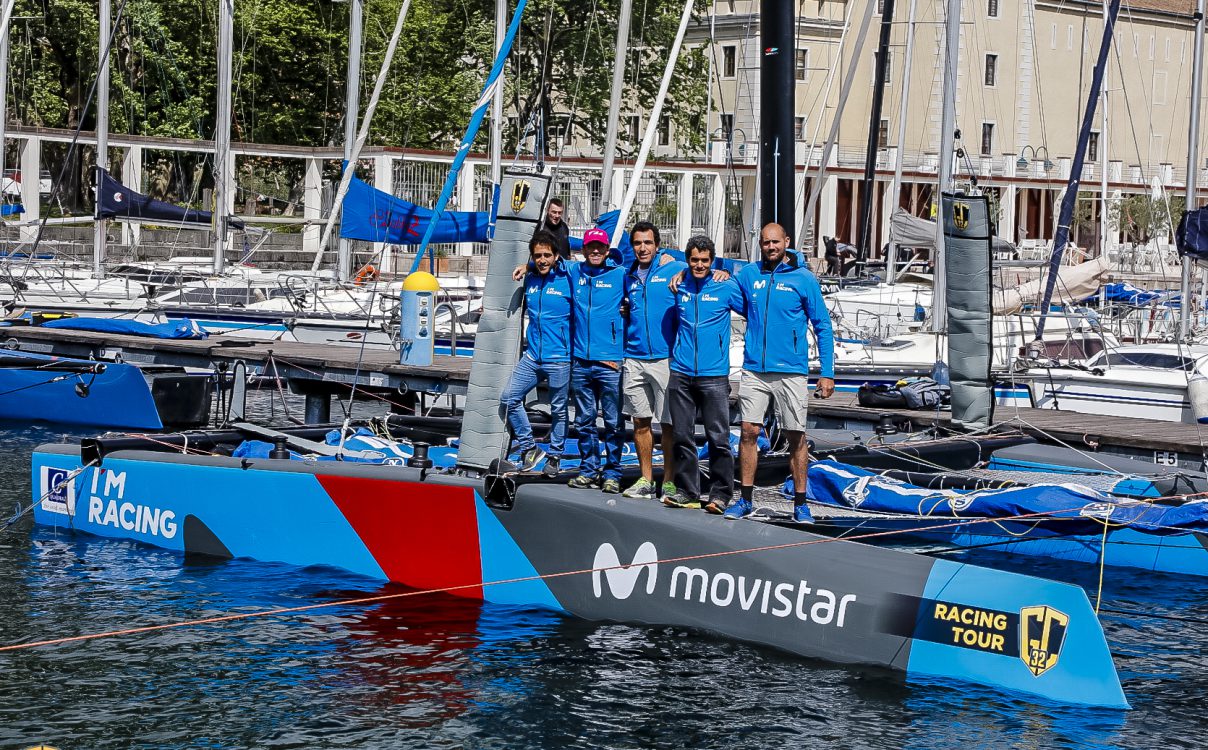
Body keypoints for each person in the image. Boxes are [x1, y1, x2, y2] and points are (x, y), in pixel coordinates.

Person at [727, 223, 835, 523]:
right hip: (754, 370)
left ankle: (801, 503)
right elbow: (724, 293)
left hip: (791, 371)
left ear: (786, 242)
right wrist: (684, 271)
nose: (770, 247)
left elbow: (823, 327)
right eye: (765, 243)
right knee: (749, 432)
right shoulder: (749, 275)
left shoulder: (803, 279)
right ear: (759, 245)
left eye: (775, 242)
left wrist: (827, 372)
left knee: (795, 436)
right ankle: (745, 499)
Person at [663, 236, 745, 513]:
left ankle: (720, 494)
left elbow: (752, 308)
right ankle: (687, 490)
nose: (699, 265)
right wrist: (681, 272)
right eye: (694, 260)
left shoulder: (725, 286)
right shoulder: (679, 284)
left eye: (705, 261)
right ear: (688, 260)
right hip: (681, 373)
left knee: (718, 438)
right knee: (682, 436)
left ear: (712, 261)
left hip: (714, 375)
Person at [619, 222, 684, 500]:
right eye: (637, 243)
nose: (642, 248)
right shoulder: (628, 276)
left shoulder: (672, 267)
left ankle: (668, 480)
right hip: (634, 358)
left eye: (647, 242)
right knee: (640, 422)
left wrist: (719, 269)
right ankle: (645, 479)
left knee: (668, 424)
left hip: (664, 359)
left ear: (657, 245)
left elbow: (704, 267)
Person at [500, 231, 573, 475]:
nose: (542, 260)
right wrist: (528, 265)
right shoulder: (530, 278)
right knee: (509, 398)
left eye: (547, 255)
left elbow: (590, 265)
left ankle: (555, 456)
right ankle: (529, 447)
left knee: (559, 409)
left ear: (556, 256)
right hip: (532, 356)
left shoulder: (568, 277)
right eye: (537, 256)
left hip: (559, 358)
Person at [567, 228, 627, 493]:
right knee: (584, 420)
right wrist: (527, 265)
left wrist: (671, 262)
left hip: (610, 363)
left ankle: (613, 472)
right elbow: (547, 260)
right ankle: (588, 469)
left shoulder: (619, 275)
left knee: (613, 422)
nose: (595, 251)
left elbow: (647, 281)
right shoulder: (574, 272)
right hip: (580, 362)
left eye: (599, 247)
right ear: (583, 249)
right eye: (590, 246)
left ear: (606, 251)